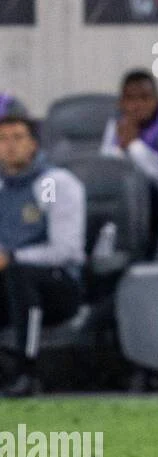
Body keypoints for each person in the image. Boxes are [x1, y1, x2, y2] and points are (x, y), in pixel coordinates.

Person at [0, 115, 85, 396]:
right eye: (2, 139)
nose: (9, 146)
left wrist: (13, 257)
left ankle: (27, 372)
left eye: (18, 138)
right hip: (10, 276)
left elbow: (67, 250)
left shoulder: (55, 183)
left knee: (19, 275)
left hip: (60, 285)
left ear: (34, 144)